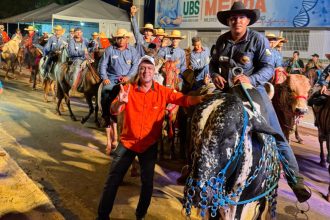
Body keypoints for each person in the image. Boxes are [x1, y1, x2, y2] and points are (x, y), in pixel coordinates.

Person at [209, 1, 311, 203]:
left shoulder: (258, 40)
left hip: (253, 92)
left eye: (241, 17)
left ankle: (295, 180)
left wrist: (250, 79)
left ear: (247, 21)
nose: (236, 21)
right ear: (228, 21)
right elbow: (212, 64)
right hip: (228, 91)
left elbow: (268, 68)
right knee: (204, 121)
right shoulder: (221, 40)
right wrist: (214, 75)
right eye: (233, 18)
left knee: (275, 132)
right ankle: (197, 169)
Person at [96, 55, 211, 220]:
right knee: (112, 181)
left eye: (149, 68)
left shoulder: (162, 91)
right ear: (139, 70)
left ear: (154, 71)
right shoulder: (127, 89)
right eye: (143, 68)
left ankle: (140, 215)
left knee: (147, 184)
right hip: (127, 143)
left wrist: (200, 98)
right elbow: (114, 111)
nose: (146, 71)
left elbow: (183, 99)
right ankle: (102, 216)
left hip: (148, 145)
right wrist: (120, 102)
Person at [99, 28, 139, 154]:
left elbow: (135, 65)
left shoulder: (132, 50)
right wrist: (104, 78)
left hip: (127, 80)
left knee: (137, 98)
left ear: (127, 39)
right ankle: (106, 117)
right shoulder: (110, 50)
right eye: (119, 38)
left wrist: (128, 76)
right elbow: (103, 65)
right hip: (112, 80)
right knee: (105, 93)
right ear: (116, 39)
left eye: (124, 38)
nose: (121, 40)